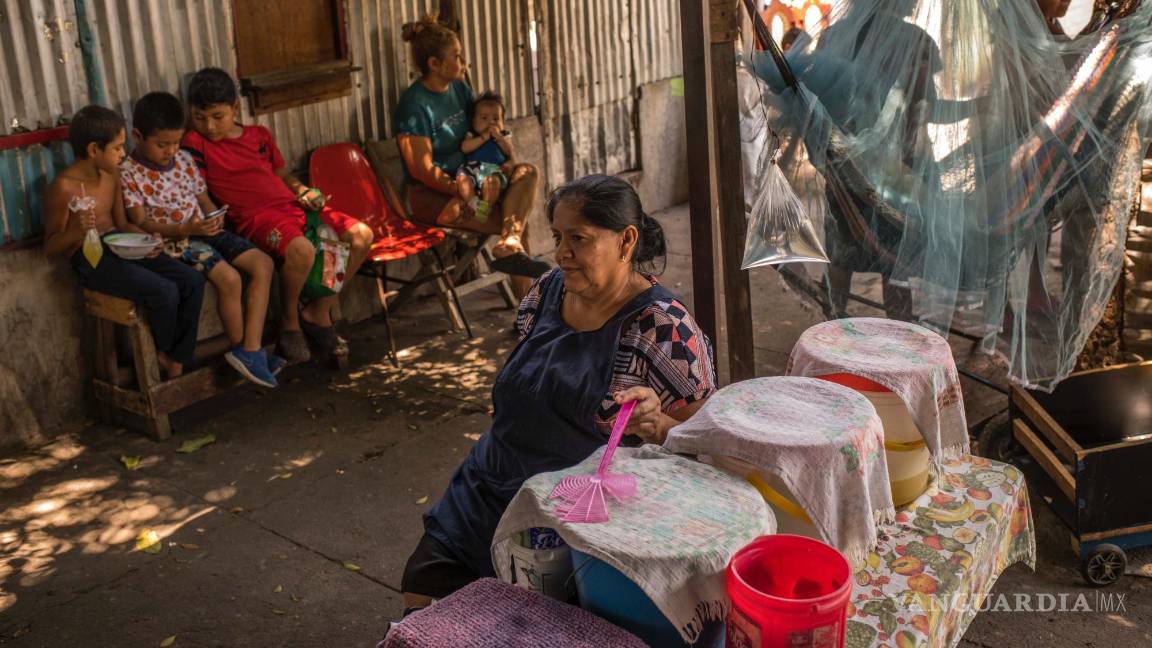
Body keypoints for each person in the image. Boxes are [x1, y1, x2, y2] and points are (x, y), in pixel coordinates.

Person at [400, 174, 717, 608]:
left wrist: (659, 424)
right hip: (486, 491)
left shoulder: (664, 329)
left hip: (572, 527)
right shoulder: (547, 290)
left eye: (579, 239)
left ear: (627, 241)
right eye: (557, 236)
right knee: (421, 601)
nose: (561, 253)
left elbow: (706, 443)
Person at [182, 67, 375, 366]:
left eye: (217, 116)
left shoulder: (259, 136)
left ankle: (319, 308)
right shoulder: (196, 143)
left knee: (360, 236)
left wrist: (304, 192)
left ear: (235, 108)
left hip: (295, 207)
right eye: (199, 117)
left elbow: (282, 174)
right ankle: (289, 320)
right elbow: (196, 189)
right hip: (257, 218)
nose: (209, 126)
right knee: (302, 250)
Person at [121, 91, 280, 387]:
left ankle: (251, 350)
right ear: (137, 135)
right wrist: (186, 229)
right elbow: (139, 221)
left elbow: (202, 198)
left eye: (176, 142)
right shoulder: (129, 173)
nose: (170, 150)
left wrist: (213, 216)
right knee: (230, 279)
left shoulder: (183, 160)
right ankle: (244, 350)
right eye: (161, 144)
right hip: (177, 242)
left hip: (203, 230)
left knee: (262, 263)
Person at [44, 105, 205, 379]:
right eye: (118, 148)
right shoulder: (64, 187)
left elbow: (123, 224)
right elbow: (50, 248)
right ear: (94, 149)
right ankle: (163, 353)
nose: (123, 154)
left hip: (123, 244)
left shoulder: (112, 175)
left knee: (192, 280)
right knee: (164, 291)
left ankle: (177, 356)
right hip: (90, 259)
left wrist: (148, 240)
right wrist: (74, 231)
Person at [394, 15, 550, 297]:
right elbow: (422, 171)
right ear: (435, 64)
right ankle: (527, 311)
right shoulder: (413, 105)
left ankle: (511, 250)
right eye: (457, 56)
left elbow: (484, 127)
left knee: (527, 172)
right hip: (437, 195)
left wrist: (503, 157)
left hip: (478, 177)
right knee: (512, 219)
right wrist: (466, 192)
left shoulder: (460, 89)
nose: (463, 61)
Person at [456, 91, 514, 221]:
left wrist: (499, 138)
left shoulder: (504, 134)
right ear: (474, 122)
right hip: (472, 167)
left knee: (492, 183)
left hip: (493, 170)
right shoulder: (473, 134)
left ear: (503, 121)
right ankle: (472, 203)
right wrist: (482, 138)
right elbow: (465, 148)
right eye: (484, 118)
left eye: (496, 118)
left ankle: (485, 209)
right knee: (462, 179)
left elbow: (509, 151)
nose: (491, 123)